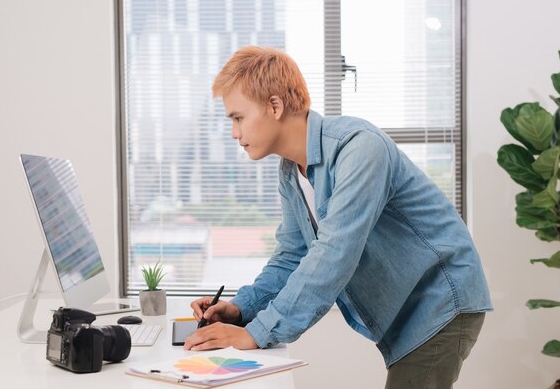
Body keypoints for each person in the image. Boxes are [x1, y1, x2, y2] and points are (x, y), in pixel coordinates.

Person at [184, 46, 492, 388]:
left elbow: (334, 253)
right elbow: (291, 257)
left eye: (238, 118)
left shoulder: (359, 147)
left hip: (440, 300)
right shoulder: (291, 173)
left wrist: (256, 333)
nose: (234, 133)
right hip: (409, 309)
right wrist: (241, 308)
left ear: (274, 106)